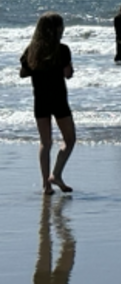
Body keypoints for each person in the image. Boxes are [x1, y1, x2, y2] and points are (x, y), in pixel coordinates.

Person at [20, 12, 76, 195]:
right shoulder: (62, 50)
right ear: (57, 29)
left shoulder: (31, 50)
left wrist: (39, 70)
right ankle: (56, 174)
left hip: (40, 100)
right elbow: (67, 74)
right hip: (58, 99)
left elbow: (23, 73)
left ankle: (46, 185)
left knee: (45, 142)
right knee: (69, 139)